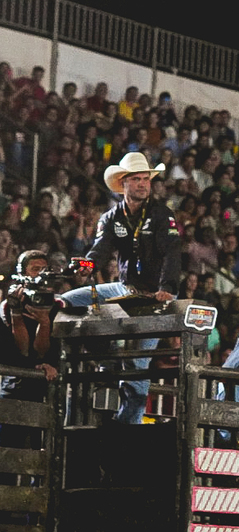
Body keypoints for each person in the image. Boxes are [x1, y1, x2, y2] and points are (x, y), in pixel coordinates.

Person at [60, 152, 181, 424]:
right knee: (66, 301)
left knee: (137, 362)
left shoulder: (162, 215)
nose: (143, 184)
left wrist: (167, 288)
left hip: (155, 295)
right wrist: (87, 266)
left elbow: (172, 253)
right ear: (123, 183)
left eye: (146, 179)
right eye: (136, 179)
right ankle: (103, 358)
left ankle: (128, 425)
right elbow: (100, 250)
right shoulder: (112, 217)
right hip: (125, 288)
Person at [0, 250, 60, 450]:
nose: (40, 274)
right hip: (15, 385)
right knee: (9, 446)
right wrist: (16, 313)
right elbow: (22, 350)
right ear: (22, 273)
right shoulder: (9, 304)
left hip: (45, 388)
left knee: (42, 447)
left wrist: (45, 322)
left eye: (44, 269)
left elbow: (44, 351)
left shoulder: (55, 304)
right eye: (35, 269)